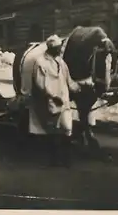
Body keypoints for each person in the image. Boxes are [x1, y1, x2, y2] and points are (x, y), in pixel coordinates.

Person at [30, 35, 94, 167]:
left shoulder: (60, 61)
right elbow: (40, 84)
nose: (60, 50)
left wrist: (80, 88)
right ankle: (54, 160)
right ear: (51, 48)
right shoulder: (41, 63)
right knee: (53, 132)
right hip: (50, 102)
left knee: (67, 128)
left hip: (64, 101)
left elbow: (68, 80)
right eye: (58, 48)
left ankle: (66, 159)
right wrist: (53, 96)